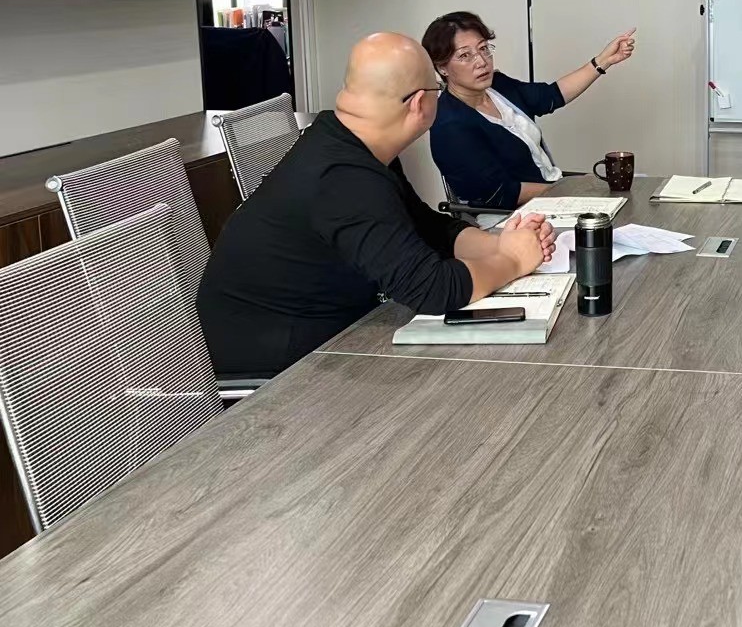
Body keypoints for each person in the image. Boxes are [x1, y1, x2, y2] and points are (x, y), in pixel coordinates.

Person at [197, 32, 557, 377]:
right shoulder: (344, 177)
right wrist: (512, 261)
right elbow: (432, 289)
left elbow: (425, 226)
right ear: (419, 103)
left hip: (340, 326)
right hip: (286, 364)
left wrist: (500, 243)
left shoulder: (351, 140)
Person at [423, 11, 636, 209]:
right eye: (465, 55)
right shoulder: (449, 124)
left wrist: (603, 61)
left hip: (552, 199)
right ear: (442, 67)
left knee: (630, 201)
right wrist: (569, 190)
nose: (481, 61)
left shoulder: (498, 86)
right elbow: (499, 193)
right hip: (509, 218)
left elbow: (551, 96)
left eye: (483, 48)